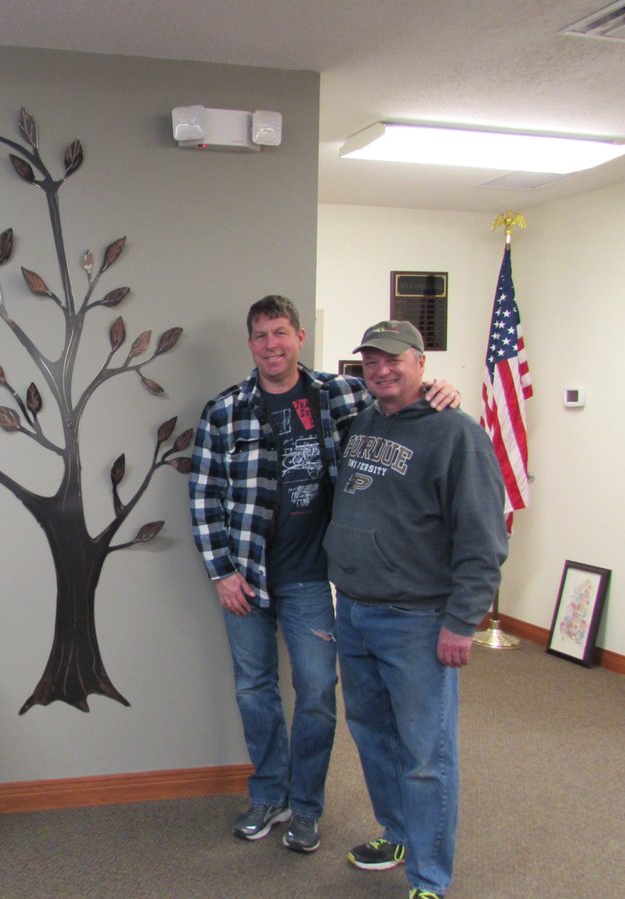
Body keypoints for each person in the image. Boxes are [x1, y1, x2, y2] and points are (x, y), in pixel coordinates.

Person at [188, 297, 459, 854]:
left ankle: (307, 806)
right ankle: (269, 795)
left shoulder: (343, 394)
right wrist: (221, 572)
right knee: (254, 691)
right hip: (245, 577)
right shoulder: (225, 410)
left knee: (315, 694)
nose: (271, 344)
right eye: (260, 335)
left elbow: (400, 405)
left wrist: (442, 393)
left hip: (312, 578)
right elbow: (203, 497)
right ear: (250, 345)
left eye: (281, 332)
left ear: (300, 336)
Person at [324, 320, 508, 899]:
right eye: (371, 361)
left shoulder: (457, 434)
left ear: (421, 363)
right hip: (353, 611)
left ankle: (429, 878)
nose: (382, 370)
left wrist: (463, 621)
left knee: (426, 753)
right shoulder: (364, 420)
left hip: (417, 621)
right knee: (373, 735)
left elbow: (482, 540)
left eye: (394, 360)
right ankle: (397, 833)